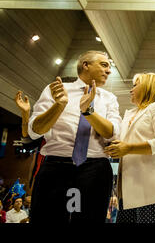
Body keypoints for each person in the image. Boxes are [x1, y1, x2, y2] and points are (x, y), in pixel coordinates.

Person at [28, 51, 122, 223]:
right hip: (56, 166)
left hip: (95, 169)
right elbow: (35, 130)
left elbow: (112, 133)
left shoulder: (110, 98)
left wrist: (89, 112)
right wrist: (59, 105)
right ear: (86, 65)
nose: (109, 71)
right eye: (104, 64)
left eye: (109, 67)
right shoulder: (56, 90)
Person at [104, 73, 155, 223]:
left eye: (135, 85)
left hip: (151, 187)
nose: (130, 90)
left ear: (148, 87)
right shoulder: (130, 113)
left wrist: (128, 148)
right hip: (128, 189)